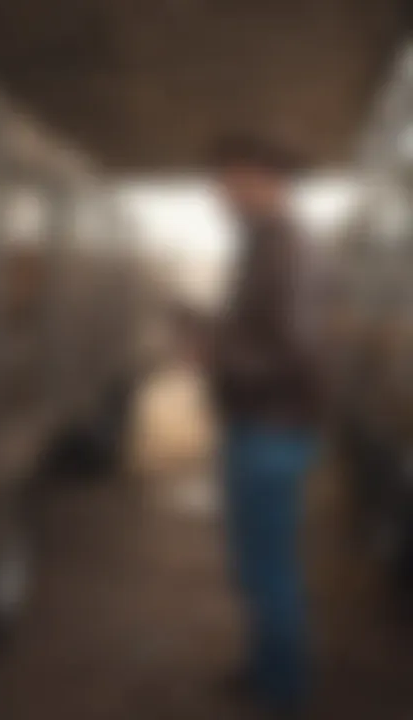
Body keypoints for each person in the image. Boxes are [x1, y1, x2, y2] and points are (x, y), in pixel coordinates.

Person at [207, 134, 326, 716]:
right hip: (261, 424)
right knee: (254, 564)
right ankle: (265, 670)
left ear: (266, 180)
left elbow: (297, 351)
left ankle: (282, 693)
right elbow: (264, 335)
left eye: (230, 179)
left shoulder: (286, 248)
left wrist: (215, 354)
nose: (219, 192)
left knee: (268, 567)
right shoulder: (265, 244)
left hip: (271, 429)